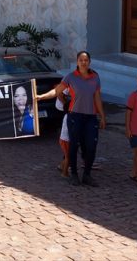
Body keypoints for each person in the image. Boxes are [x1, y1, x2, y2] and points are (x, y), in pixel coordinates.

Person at [37, 51, 106, 187]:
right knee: (73, 146)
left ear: (89, 62)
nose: (83, 62)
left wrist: (102, 116)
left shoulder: (95, 77)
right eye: (81, 60)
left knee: (91, 146)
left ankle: (87, 175)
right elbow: (56, 92)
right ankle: (73, 173)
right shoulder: (70, 77)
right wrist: (41, 96)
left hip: (91, 117)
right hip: (75, 116)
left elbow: (97, 97)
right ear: (77, 62)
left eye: (86, 60)